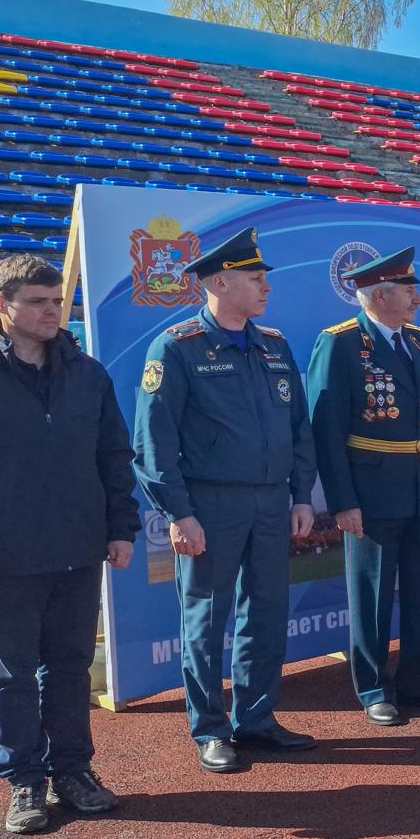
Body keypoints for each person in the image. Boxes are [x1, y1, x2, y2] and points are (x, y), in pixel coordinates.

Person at [0, 255, 138, 833]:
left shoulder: (87, 374)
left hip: (78, 551)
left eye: (57, 301)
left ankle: (74, 772)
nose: (52, 312)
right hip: (2, 560)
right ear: (0, 305)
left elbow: (113, 456)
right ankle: (25, 782)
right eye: (37, 302)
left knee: (70, 667)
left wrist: (118, 527)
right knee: (11, 676)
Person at [132, 228, 319, 773]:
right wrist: (178, 513)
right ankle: (211, 729)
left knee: (266, 613)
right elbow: (153, 441)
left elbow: (298, 428)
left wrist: (300, 495)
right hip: (209, 505)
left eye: (264, 278)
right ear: (219, 282)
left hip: (270, 504)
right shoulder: (177, 347)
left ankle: (257, 719)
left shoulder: (275, 344)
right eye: (255, 279)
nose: (266, 288)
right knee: (206, 618)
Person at [306, 247, 420, 725]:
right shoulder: (339, 344)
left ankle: (418, 680)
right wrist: (342, 502)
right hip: (373, 493)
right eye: (408, 290)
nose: (417, 298)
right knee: (373, 592)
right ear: (380, 295)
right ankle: (374, 686)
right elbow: (327, 430)